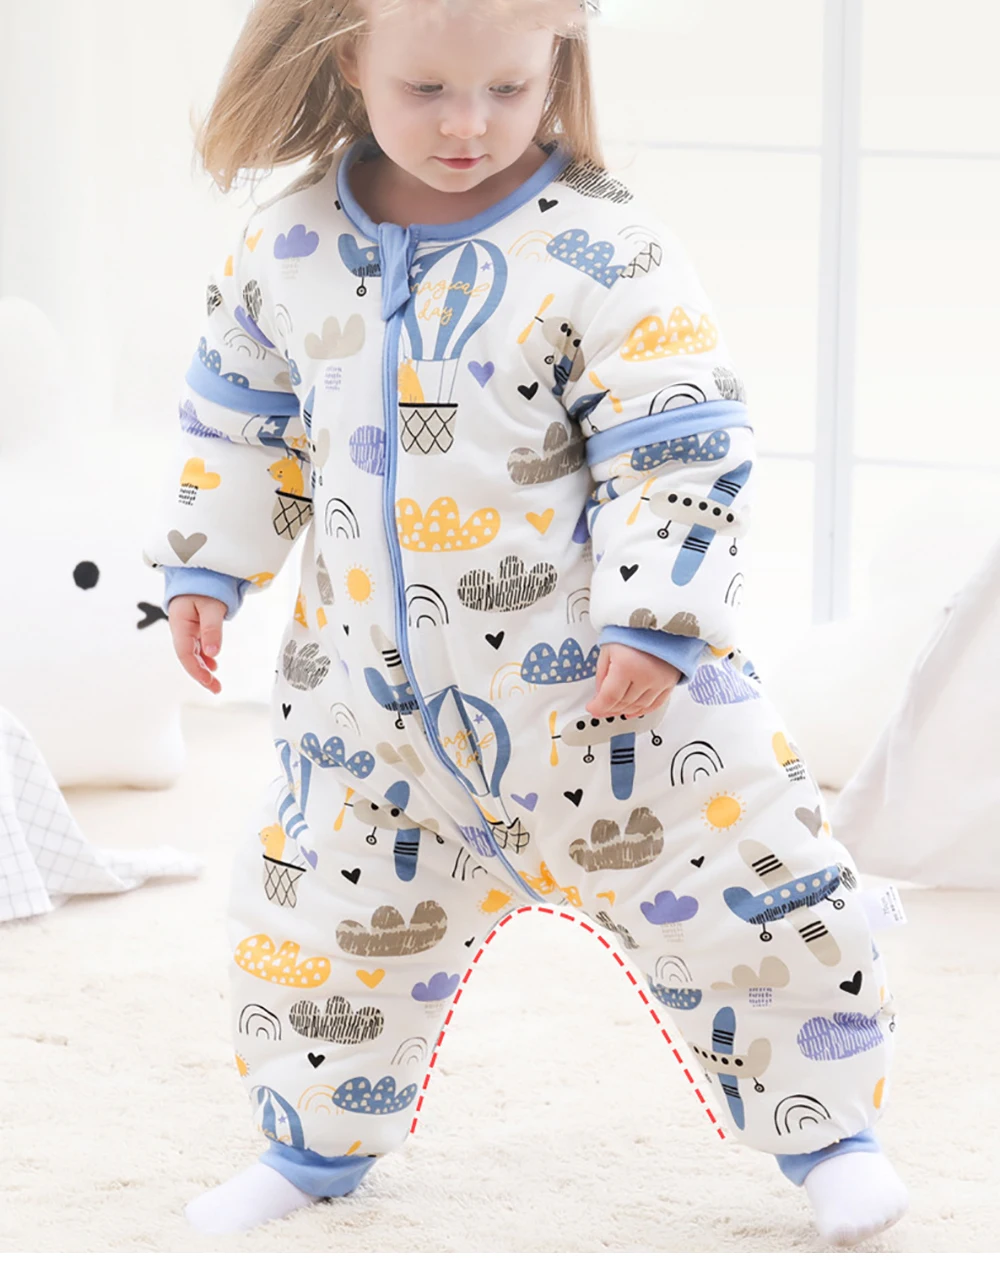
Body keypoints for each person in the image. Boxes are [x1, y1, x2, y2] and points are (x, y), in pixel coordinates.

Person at [143, 0, 909, 1247]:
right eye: (428, 90)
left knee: (759, 899)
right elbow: (239, 424)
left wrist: (656, 620)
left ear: (557, 58)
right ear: (349, 57)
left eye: (508, 89)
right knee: (316, 930)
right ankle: (309, 1145)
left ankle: (829, 1139)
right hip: (369, 719)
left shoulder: (604, 248)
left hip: (610, 706)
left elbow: (677, 444)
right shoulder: (286, 243)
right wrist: (208, 569)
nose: (469, 125)